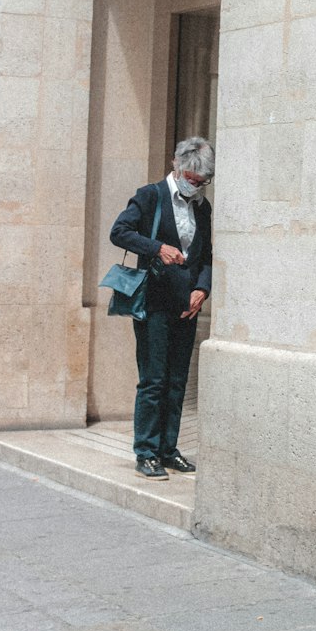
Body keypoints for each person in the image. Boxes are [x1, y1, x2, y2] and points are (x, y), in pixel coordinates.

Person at [109, 137, 215, 479]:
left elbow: (206, 255)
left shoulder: (202, 207)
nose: (196, 187)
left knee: (177, 381)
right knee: (153, 380)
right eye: (193, 179)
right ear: (177, 166)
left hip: (187, 306)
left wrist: (203, 288)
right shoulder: (150, 196)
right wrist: (157, 248)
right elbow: (119, 232)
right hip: (154, 302)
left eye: (203, 183)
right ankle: (146, 452)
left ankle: (168, 449)